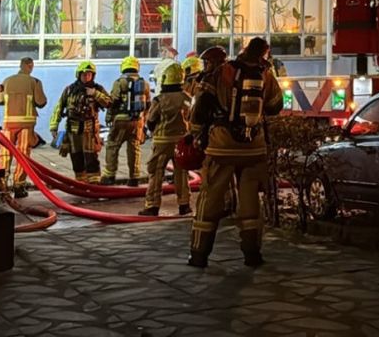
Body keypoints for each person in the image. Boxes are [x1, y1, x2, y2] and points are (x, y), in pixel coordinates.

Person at [187, 37, 282, 269]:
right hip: (254, 148)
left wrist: (197, 135)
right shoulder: (266, 74)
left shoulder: (223, 71)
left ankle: (199, 255)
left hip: (221, 146)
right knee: (250, 201)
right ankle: (252, 254)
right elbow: (275, 106)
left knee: (210, 197)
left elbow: (201, 108)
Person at [139, 64, 193, 217]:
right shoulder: (187, 98)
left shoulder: (160, 99)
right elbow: (191, 116)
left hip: (162, 141)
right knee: (181, 173)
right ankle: (184, 204)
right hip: (181, 141)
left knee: (156, 173)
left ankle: (152, 206)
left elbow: (151, 120)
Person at [49, 61, 112, 183]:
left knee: (91, 157)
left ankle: (94, 183)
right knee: (76, 157)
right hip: (73, 131)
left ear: (93, 76)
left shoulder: (97, 89)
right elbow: (59, 107)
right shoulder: (69, 90)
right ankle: (80, 183)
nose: (87, 77)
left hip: (90, 130)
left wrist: (95, 94)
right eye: (84, 74)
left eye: (89, 74)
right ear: (78, 75)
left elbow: (109, 103)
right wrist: (54, 125)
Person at [0, 57, 47, 198]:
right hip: (26, 124)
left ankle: (2, 185)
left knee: (5, 154)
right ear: (30, 66)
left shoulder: (6, 81)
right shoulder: (34, 82)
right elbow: (41, 102)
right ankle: (19, 186)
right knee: (23, 155)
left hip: (8, 123)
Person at [102, 56, 151, 186]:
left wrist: (108, 117)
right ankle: (134, 177)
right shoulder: (144, 84)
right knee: (134, 148)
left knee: (112, 145)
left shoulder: (119, 82)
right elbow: (148, 105)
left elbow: (113, 102)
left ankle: (109, 176)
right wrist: (143, 122)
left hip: (121, 120)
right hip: (137, 121)